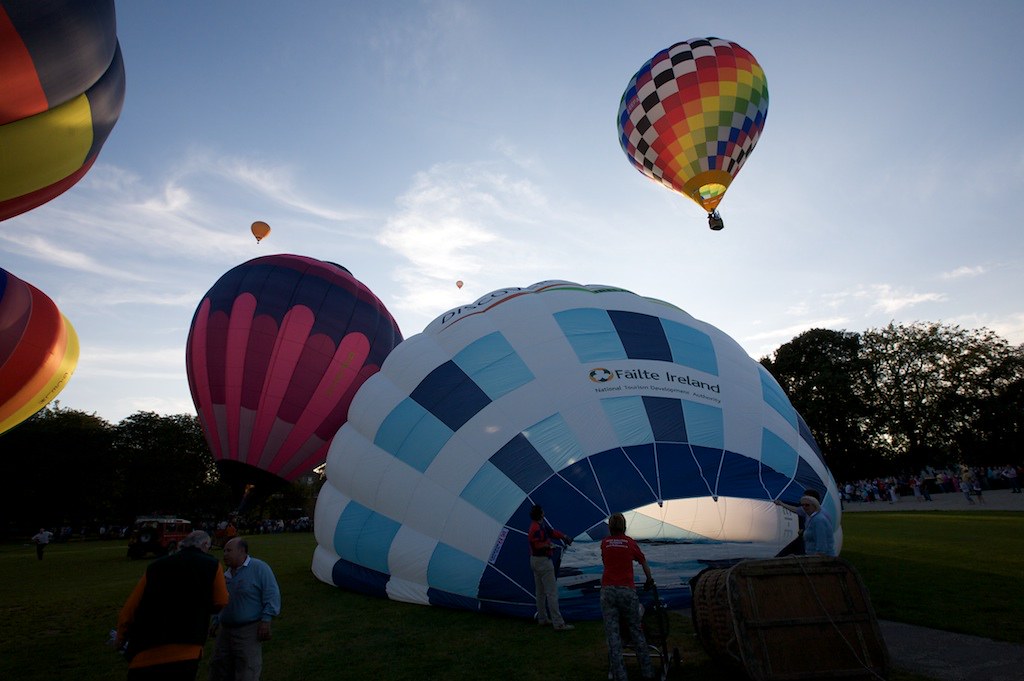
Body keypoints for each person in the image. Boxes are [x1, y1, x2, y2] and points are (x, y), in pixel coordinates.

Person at [116, 530, 228, 680]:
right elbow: (220, 601)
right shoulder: (211, 564)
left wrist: (120, 637)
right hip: (187, 647)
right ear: (205, 544)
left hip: (146, 649)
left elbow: (131, 608)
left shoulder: (156, 566)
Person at [209, 537, 282, 681]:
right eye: (224, 551)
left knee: (247, 668)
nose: (225, 554)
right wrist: (216, 619)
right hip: (225, 630)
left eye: (229, 550)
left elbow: (272, 594)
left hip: (248, 630)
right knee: (219, 666)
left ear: (242, 551)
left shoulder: (259, 568)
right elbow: (222, 600)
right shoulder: (226, 574)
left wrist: (266, 620)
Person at [601, 512, 655, 681]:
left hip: (608, 591)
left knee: (613, 635)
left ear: (610, 527)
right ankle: (647, 672)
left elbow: (606, 562)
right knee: (636, 631)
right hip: (627, 591)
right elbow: (643, 562)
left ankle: (620, 675)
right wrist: (649, 580)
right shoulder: (630, 543)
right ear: (624, 526)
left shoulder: (605, 543)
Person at [527, 504, 574, 631]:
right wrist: (549, 546)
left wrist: (564, 537)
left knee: (540, 592)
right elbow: (537, 545)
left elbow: (552, 532)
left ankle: (542, 618)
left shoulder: (538, 526)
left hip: (535, 561)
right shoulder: (536, 529)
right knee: (552, 593)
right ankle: (558, 623)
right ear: (540, 514)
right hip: (543, 562)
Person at [773, 488, 822, 556]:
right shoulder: (806, 510)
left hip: (809, 543)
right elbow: (796, 510)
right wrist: (781, 504)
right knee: (782, 555)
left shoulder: (820, 518)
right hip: (802, 539)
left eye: (806, 503)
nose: (803, 504)